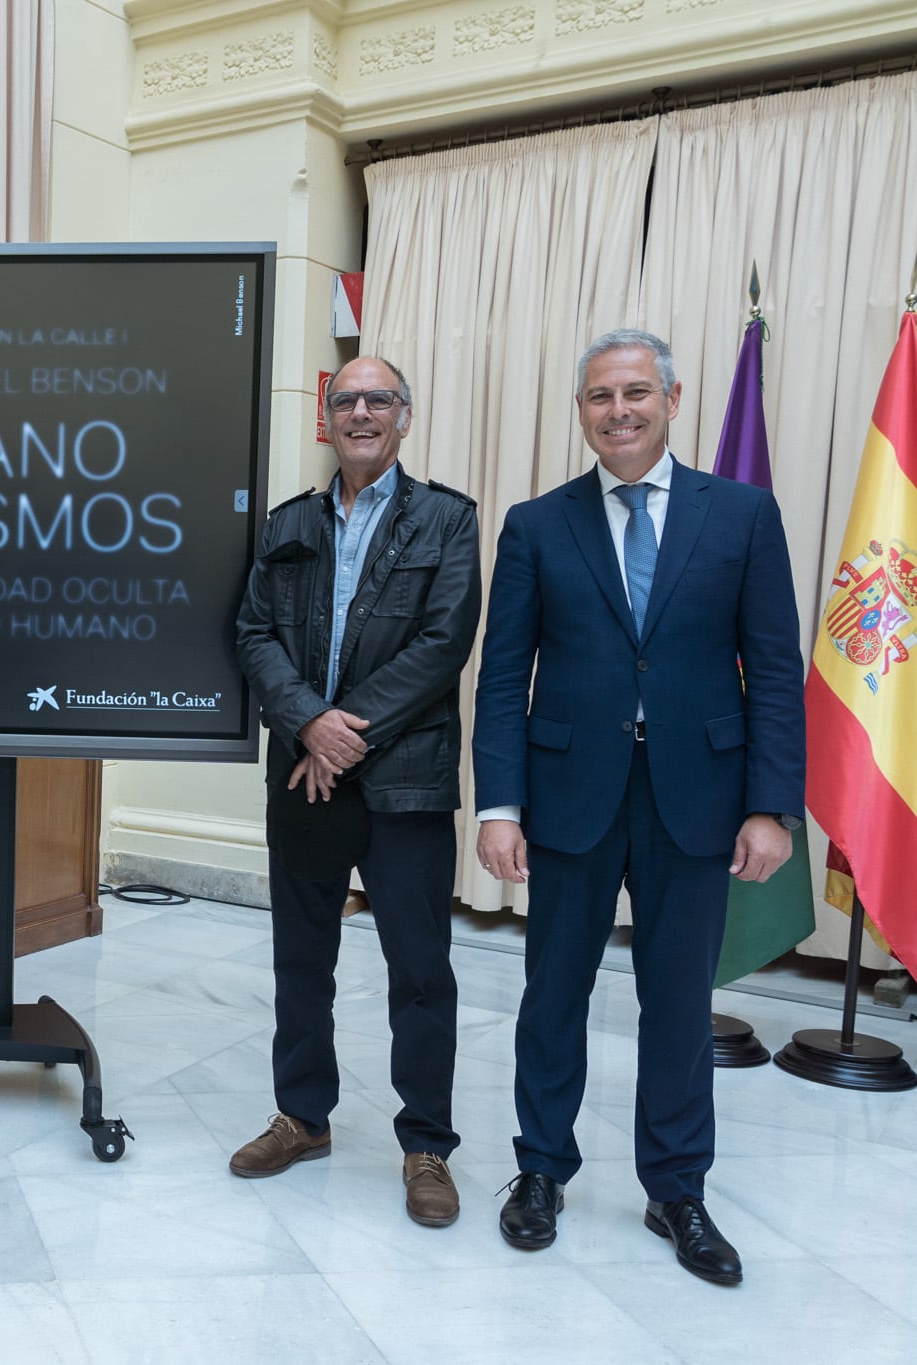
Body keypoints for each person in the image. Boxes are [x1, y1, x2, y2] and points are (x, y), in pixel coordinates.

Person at [473, 329, 804, 1285]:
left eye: (635, 393)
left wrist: (772, 805)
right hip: (570, 797)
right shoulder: (537, 524)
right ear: (580, 410)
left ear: (672, 396)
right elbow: (503, 680)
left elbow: (775, 670)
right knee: (552, 995)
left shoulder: (742, 515)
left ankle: (677, 1187)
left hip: (699, 801)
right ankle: (539, 1171)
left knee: (677, 1004)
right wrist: (499, 803)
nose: (617, 410)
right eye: (597, 397)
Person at [231, 356, 482, 1227]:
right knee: (302, 960)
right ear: (323, 421)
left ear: (405, 418)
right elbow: (253, 631)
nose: (363, 412)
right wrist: (306, 722)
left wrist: (341, 731)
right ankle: (302, 1116)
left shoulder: (448, 520)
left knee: (419, 970)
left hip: (403, 784)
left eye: (380, 400)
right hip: (302, 776)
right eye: (347, 401)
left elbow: (444, 642)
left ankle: (427, 1145)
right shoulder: (288, 522)